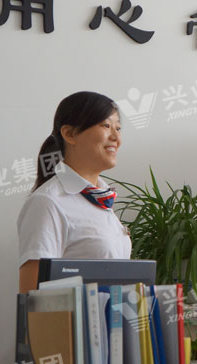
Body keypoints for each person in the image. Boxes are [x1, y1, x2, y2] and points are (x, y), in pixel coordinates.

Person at [17, 91, 132, 293]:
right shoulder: (48, 202)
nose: (116, 137)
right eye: (106, 126)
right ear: (69, 134)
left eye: (118, 128)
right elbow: (33, 296)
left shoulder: (101, 199)